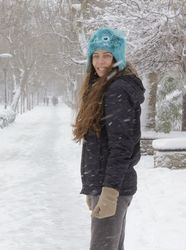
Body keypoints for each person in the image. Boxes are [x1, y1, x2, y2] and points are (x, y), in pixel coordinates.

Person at [72, 27, 145, 250]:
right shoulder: (103, 87)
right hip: (106, 184)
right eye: (95, 55)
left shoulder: (116, 90)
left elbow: (121, 146)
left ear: (117, 57)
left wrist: (109, 192)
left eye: (106, 55)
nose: (100, 62)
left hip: (113, 186)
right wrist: (94, 187)